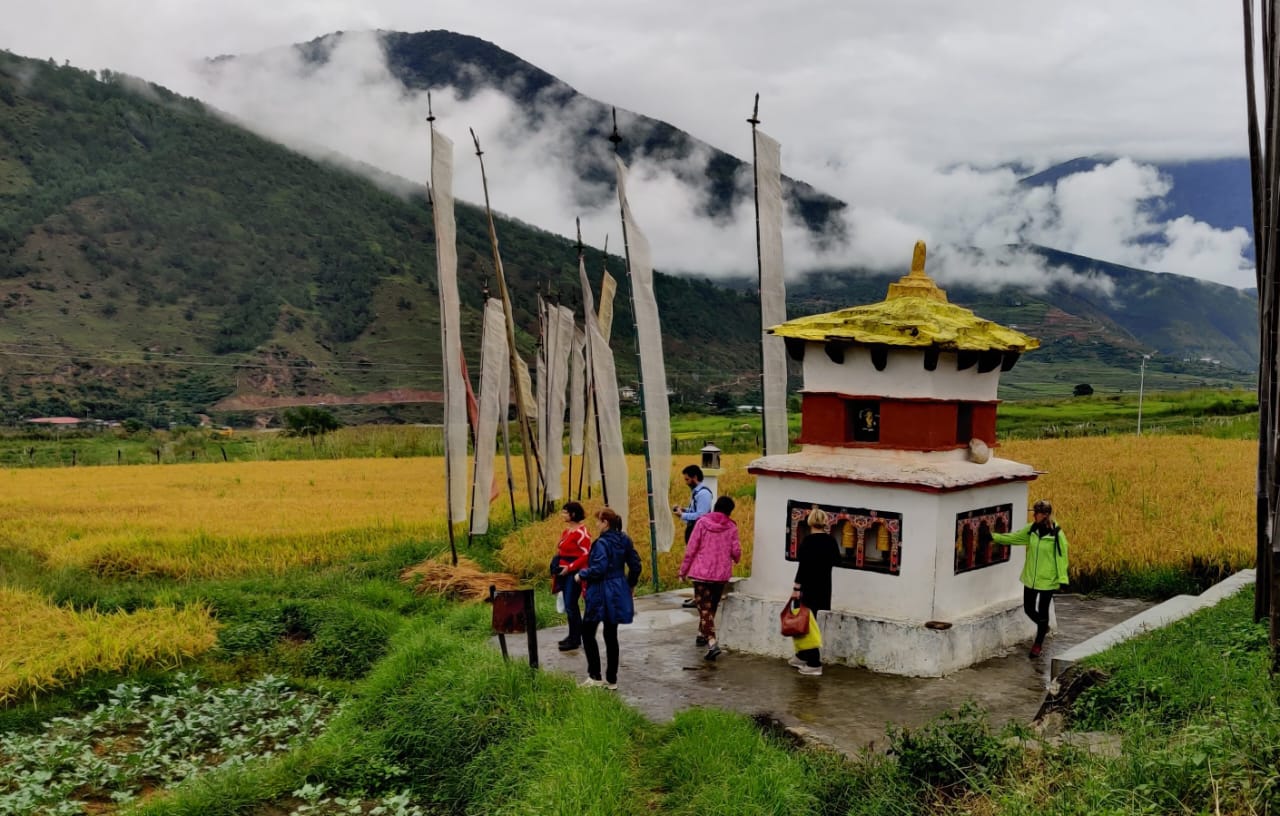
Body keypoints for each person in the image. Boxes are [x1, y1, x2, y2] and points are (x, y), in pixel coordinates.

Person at [991, 499, 1069, 658]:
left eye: (1037, 513)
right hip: (1030, 577)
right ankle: (1043, 626)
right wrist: (994, 537)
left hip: (1048, 579)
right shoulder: (1032, 529)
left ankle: (1038, 644)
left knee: (1043, 611)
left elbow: (1062, 557)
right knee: (1028, 608)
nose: (1034, 515)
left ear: (1045, 515)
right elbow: (1014, 538)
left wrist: (1062, 579)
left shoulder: (1057, 534)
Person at [575, 507, 643, 689]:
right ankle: (611, 680)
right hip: (618, 588)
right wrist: (630, 584)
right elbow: (635, 565)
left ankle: (595, 676)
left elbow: (599, 568)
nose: (596, 524)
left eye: (598, 521)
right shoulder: (625, 539)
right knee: (611, 634)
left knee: (588, 632)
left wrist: (582, 574)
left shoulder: (601, 543)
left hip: (600, 590)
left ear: (605, 523)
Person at [678, 495, 742, 660]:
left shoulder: (702, 523)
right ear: (730, 512)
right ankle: (701, 634)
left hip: (701, 573)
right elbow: (736, 552)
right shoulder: (731, 527)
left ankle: (712, 642)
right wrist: (734, 557)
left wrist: (683, 571)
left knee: (704, 608)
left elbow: (691, 548)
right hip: (720, 575)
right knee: (711, 607)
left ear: (715, 507)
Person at [789, 507, 841, 676]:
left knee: (806, 625)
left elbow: (802, 567)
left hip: (808, 588)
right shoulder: (831, 541)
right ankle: (802, 655)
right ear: (825, 522)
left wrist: (796, 588)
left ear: (810, 522)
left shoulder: (808, 542)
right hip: (824, 587)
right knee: (811, 622)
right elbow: (836, 560)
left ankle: (814, 662)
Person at [551, 501, 591, 652]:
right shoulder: (567, 531)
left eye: (565, 512)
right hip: (564, 571)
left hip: (573, 573)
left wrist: (571, 568)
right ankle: (572, 635)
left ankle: (576, 638)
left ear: (573, 514)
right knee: (568, 605)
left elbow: (586, 555)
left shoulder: (582, 533)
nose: (563, 515)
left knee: (571, 604)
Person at [673, 464, 713, 607]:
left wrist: (683, 515)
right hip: (693, 530)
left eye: (687, 479)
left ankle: (700, 597)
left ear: (695, 477)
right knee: (695, 564)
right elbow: (695, 510)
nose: (686, 482)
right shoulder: (697, 492)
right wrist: (685, 510)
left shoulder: (703, 494)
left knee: (697, 564)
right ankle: (697, 596)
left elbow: (701, 515)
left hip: (698, 531)